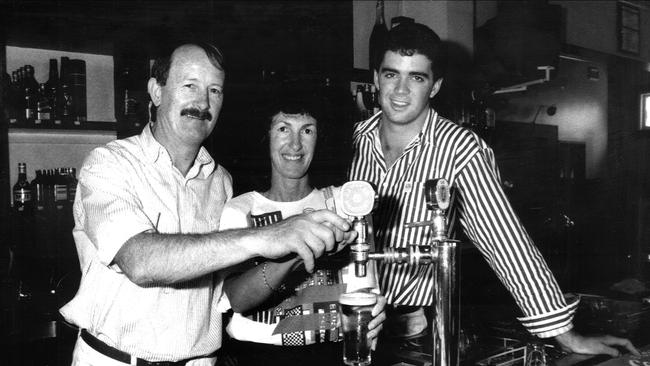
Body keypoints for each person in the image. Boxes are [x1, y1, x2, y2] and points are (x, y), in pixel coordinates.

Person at [347, 22, 639, 359]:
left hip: (419, 334)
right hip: (353, 323)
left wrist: (567, 335)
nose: (400, 90)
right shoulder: (355, 139)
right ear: (375, 78)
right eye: (391, 74)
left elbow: (506, 244)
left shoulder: (459, 149)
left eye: (417, 77)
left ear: (435, 86)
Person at [59, 42, 356, 366]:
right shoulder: (109, 164)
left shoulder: (221, 183)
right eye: (190, 86)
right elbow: (140, 262)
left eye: (214, 90)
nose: (202, 102)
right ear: (156, 92)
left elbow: (225, 298)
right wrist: (267, 236)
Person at [218, 96, 386, 366]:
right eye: (283, 129)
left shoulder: (345, 203)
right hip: (257, 357)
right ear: (265, 135)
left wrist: (374, 314)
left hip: (333, 356)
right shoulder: (242, 210)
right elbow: (236, 299)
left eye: (307, 130)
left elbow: (366, 294)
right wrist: (296, 250)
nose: (295, 144)